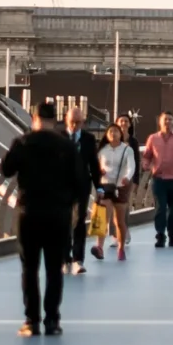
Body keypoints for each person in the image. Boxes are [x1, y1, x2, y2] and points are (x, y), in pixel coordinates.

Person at [0, 99, 84, 336]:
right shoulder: (66, 145)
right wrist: (71, 205)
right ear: (55, 120)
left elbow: (6, 170)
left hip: (30, 212)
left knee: (30, 267)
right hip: (58, 214)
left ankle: (32, 320)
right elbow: (80, 181)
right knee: (55, 268)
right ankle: (52, 321)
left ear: (33, 119)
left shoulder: (23, 142)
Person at [144, 113, 173, 249]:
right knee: (160, 207)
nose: (168, 122)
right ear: (160, 122)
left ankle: (172, 234)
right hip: (158, 178)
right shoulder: (153, 139)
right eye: (165, 119)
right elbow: (147, 155)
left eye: (170, 119)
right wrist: (146, 164)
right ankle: (160, 235)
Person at [64, 104, 101, 275]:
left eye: (78, 122)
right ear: (67, 121)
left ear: (83, 122)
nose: (74, 125)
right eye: (72, 122)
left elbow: (94, 164)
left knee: (79, 221)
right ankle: (64, 259)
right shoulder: (60, 137)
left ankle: (78, 260)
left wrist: (99, 186)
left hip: (81, 186)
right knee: (63, 222)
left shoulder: (88, 139)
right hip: (62, 187)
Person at [95, 116, 137, 262]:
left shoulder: (127, 150)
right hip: (106, 185)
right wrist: (100, 171)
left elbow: (131, 166)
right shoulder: (103, 150)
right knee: (102, 218)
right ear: (106, 135)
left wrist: (127, 177)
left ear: (121, 133)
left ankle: (121, 248)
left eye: (116, 131)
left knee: (119, 220)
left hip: (121, 187)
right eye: (110, 131)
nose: (113, 134)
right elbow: (96, 166)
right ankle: (99, 247)